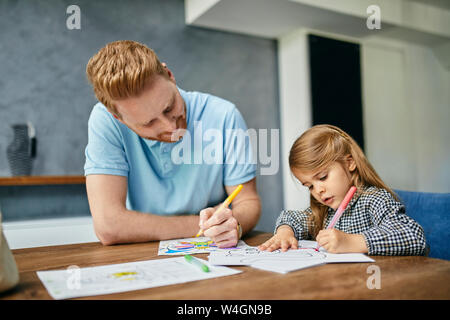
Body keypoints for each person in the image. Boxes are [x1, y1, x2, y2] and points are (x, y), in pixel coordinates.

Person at [84, 40, 261, 247]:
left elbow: (247, 202)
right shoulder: (104, 121)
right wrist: (203, 227)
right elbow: (109, 226)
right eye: (149, 123)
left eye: (169, 107)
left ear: (170, 76)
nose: (170, 126)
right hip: (140, 254)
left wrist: (233, 225)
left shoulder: (224, 115)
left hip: (214, 250)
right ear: (118, 118)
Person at [259, 124, 426, 255]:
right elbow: (292, 217)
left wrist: (353, 242)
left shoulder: (374, 199)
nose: (318, 190)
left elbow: (414, 236)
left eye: (323, 177)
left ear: (349, 163)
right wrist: (284, 232)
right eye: (309, 186)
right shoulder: (325, 210)